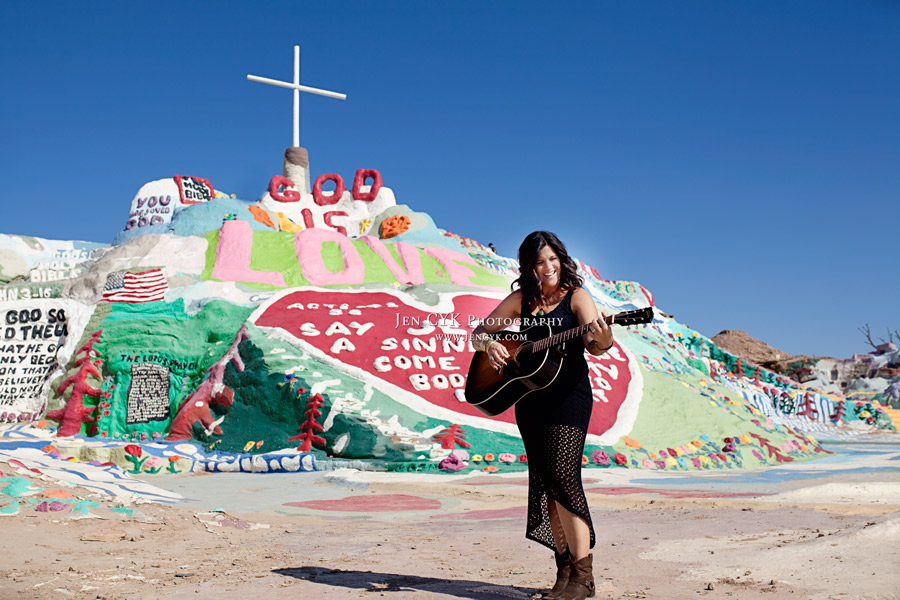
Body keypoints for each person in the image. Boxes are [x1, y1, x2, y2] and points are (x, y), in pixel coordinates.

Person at [471, 231, 613, 600]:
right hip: (531, 399)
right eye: (539, 262)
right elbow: (479, 332)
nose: (547, 267)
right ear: (529, 266)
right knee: (547, 483)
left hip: (569, 396)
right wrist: (492, 347)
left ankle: (584, 577)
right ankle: (564, 574)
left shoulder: (577, 297)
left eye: (552, 259)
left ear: (561, 260)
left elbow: (595, 346)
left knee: (565, 477)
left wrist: (604, 338)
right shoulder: (523, 299)